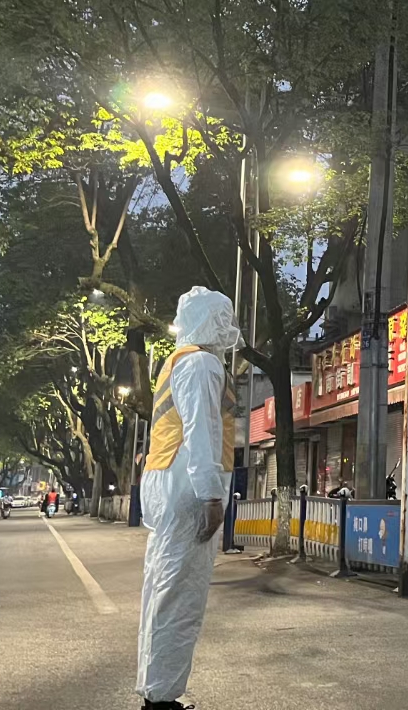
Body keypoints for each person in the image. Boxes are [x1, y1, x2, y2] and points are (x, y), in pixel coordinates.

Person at [136, 287, 238, 710]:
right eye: (223, 318)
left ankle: (154, 690)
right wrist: (212, 496)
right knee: (181, 596)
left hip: (167, 482)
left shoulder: (177, 360)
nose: (227, 327)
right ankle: (161, 699)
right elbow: (202, 432)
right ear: (211, 321)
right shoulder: (202, 364)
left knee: (162, 590)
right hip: (188, 489)